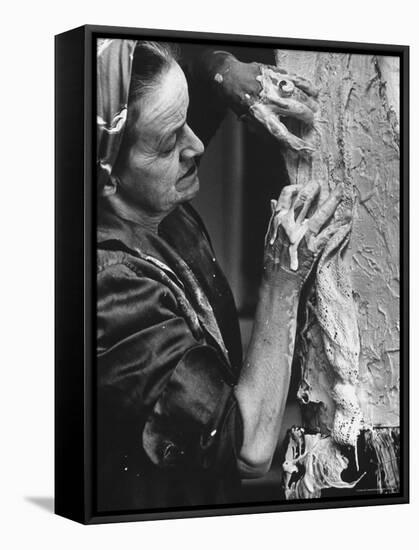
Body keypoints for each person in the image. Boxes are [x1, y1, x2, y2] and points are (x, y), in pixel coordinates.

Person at [96, 39, 344, 512]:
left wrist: (222, 72)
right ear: (108, 175)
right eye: (170, 141)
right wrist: (281, 280)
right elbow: (249, 447)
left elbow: (178, 96)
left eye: (189, 118)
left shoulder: (151, 188)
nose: (197, 144)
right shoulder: (111, 291)